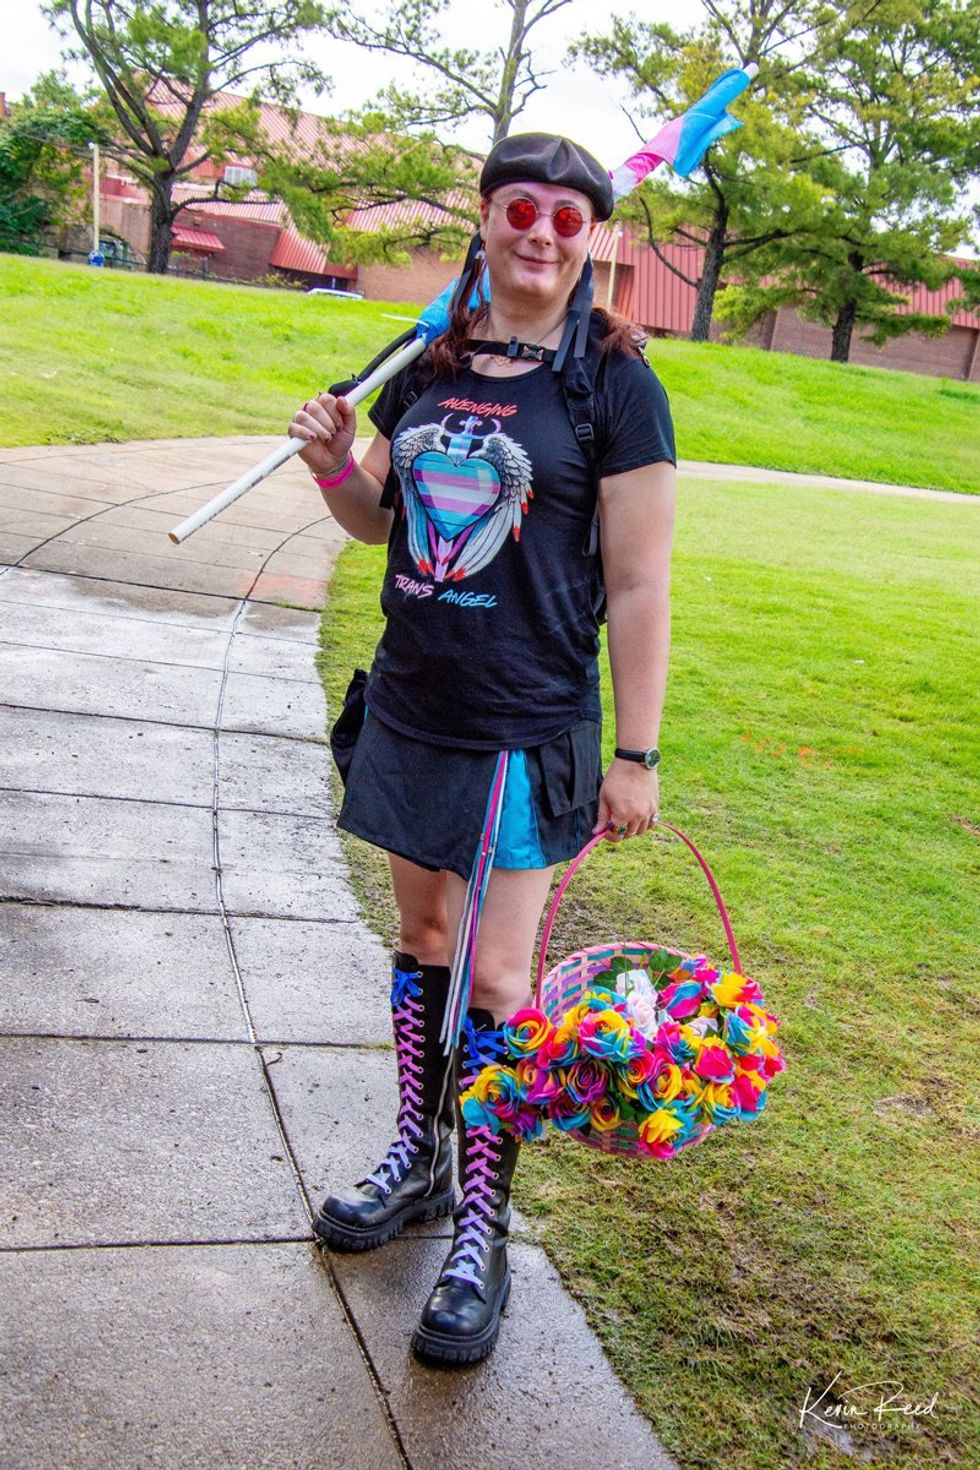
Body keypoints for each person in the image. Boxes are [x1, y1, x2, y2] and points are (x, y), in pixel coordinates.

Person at [288, 132, 677, 1367]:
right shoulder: (430, 357)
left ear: (591, 241)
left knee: (499, 985)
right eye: (521, 207)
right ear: (485, 215)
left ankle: (481, 1236)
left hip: (525, 723)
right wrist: (329, 464)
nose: (541, 234)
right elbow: (378, 523)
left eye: (569, 219)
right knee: (425, 944)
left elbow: (638, 580)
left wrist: (637, 752)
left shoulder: (612, 383)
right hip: (413, 706)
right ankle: (419, 1161)